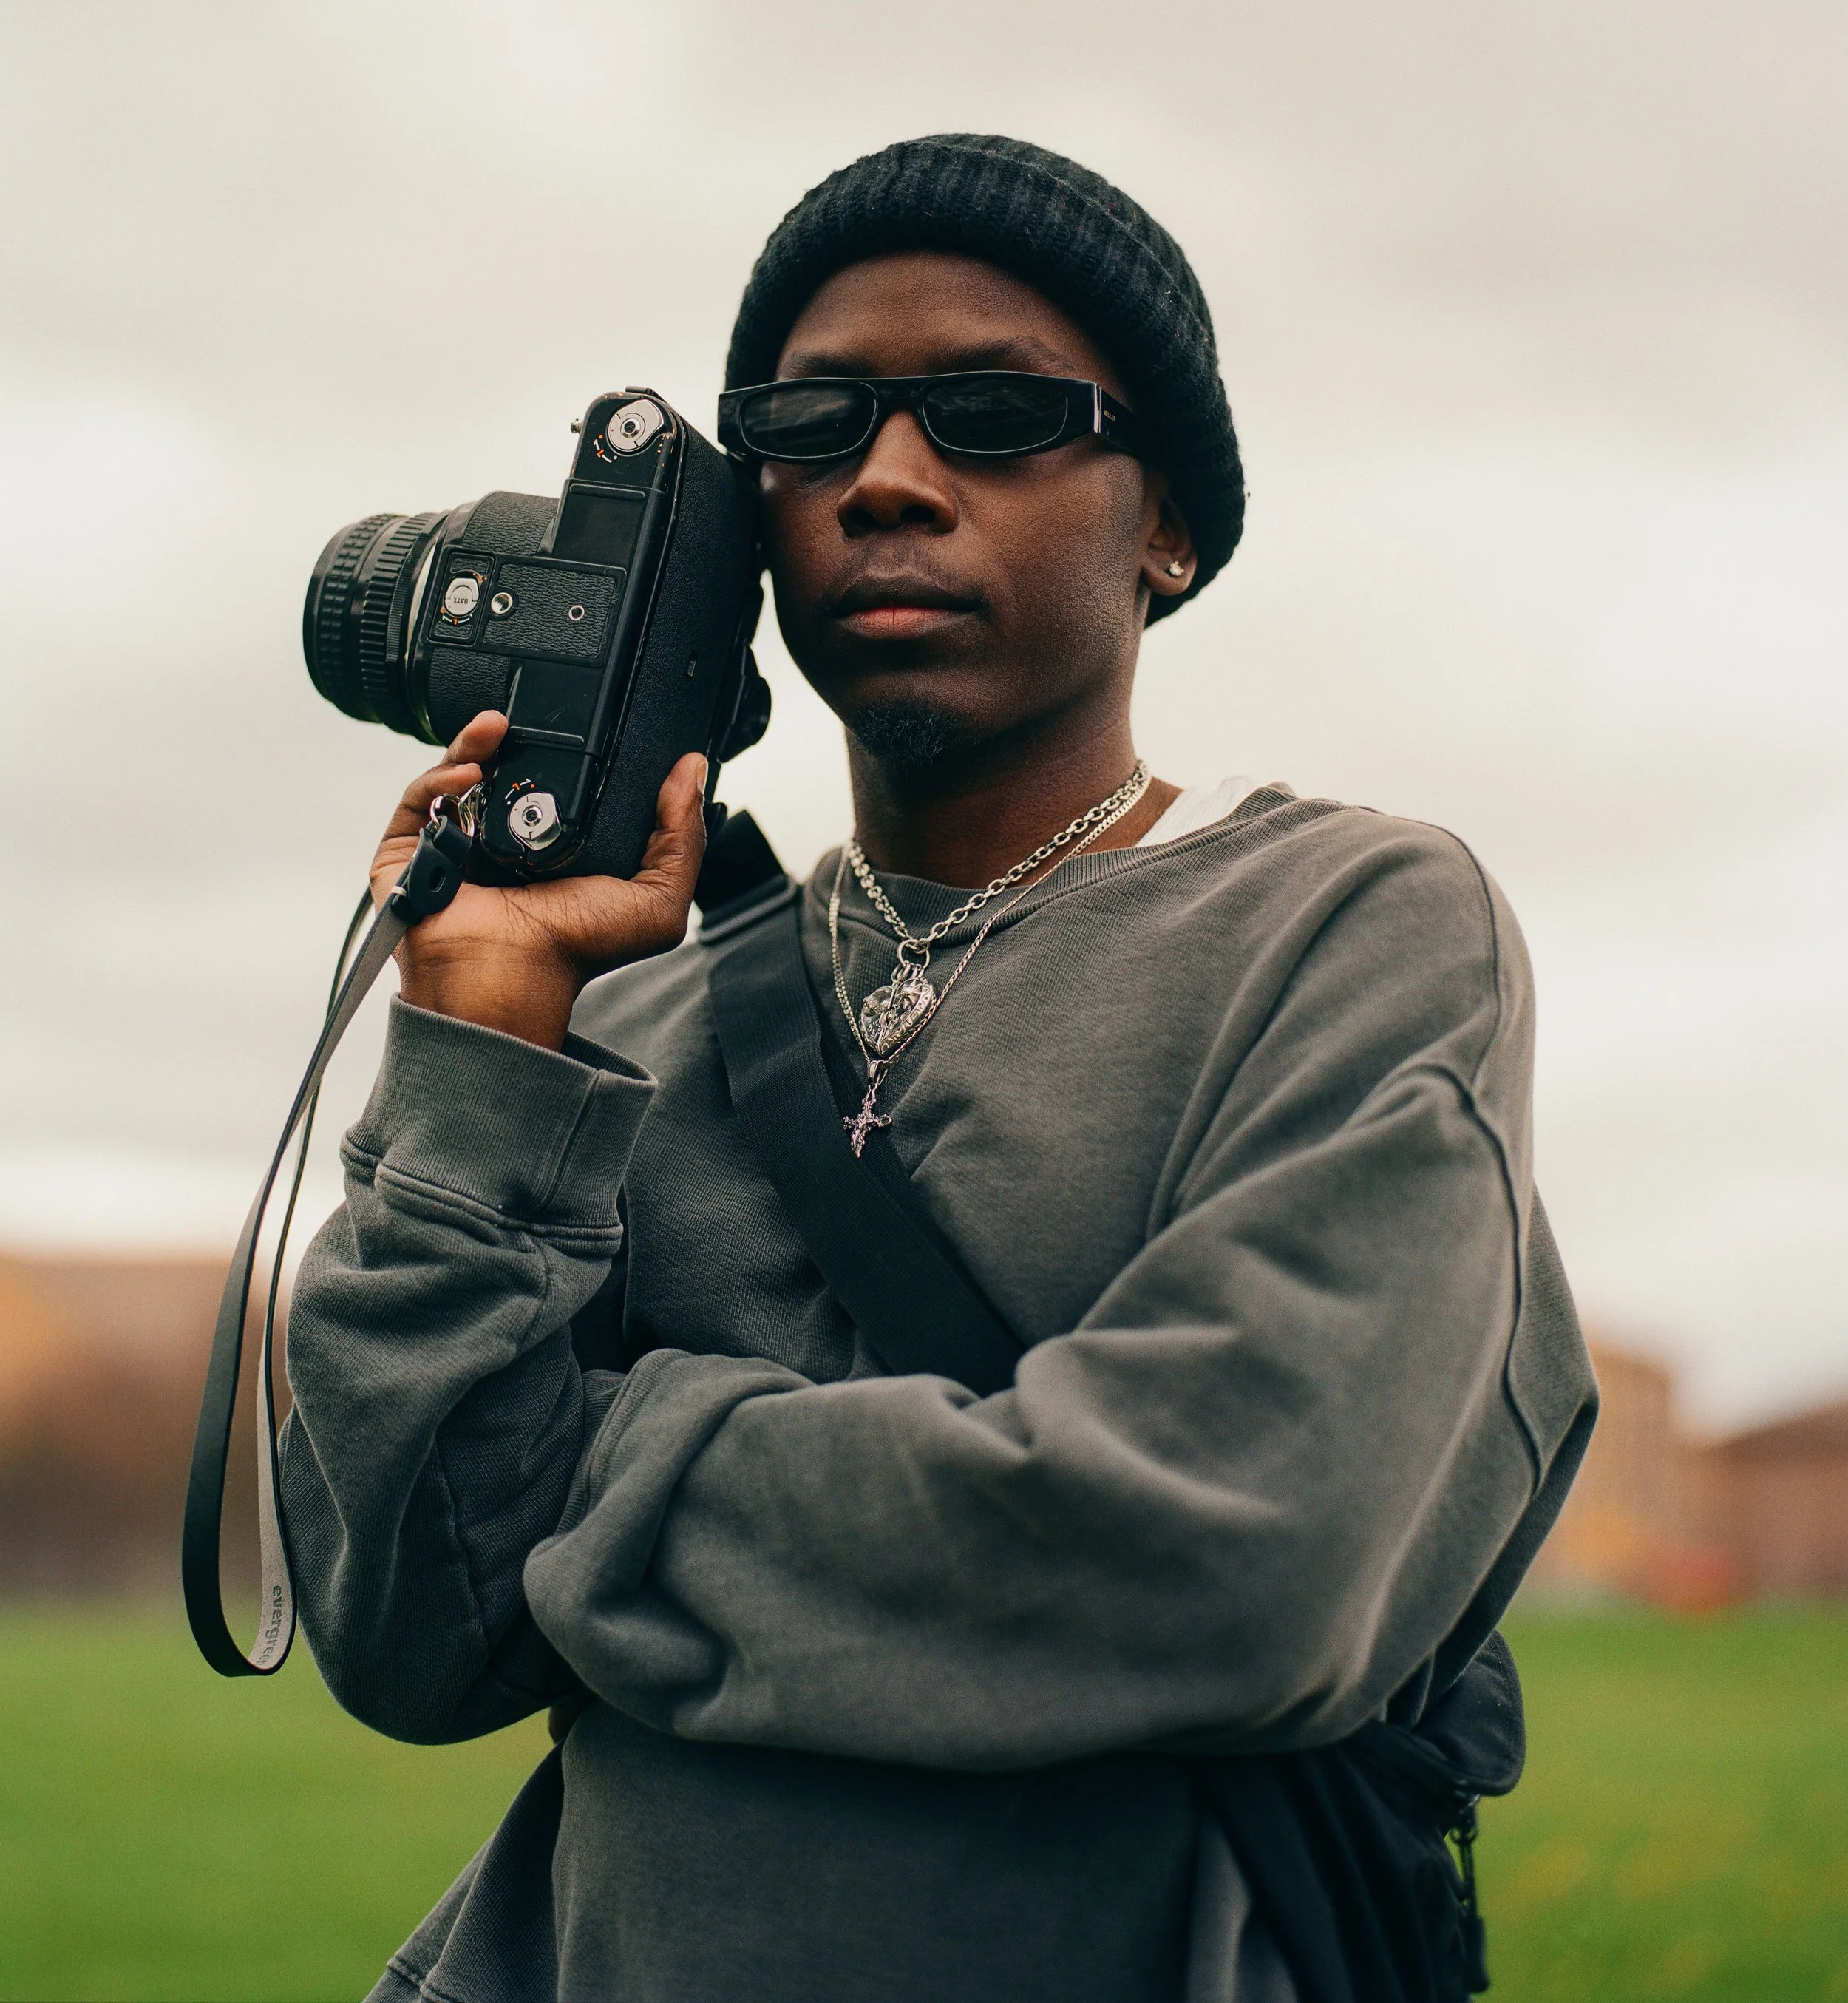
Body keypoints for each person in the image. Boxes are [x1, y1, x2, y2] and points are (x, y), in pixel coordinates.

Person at [280, 134, 1597, 2003]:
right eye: (808, 427)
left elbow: (1229, 1559)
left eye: (993, 413)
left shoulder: (1351, 926)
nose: (886, 480)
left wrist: (594, 1470)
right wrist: (482, 1034)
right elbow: (412, 1628)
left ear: (1171, 527)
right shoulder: (606, 1016)